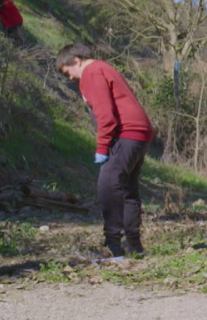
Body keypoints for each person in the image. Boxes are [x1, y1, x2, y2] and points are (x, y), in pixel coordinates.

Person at [57, 44, 154, 260]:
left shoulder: (91, 73)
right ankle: (134, 245)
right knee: (128, 190)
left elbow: (106, 115)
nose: (71, 78)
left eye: (68, 72)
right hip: (139, 133)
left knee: (108, 188)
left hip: (126, 133)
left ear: (76, 61)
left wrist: (102, 147)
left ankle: (113, 247)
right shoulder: (105, 68)